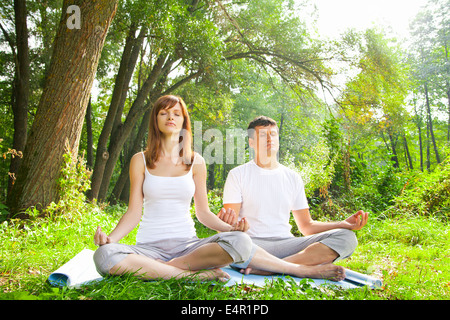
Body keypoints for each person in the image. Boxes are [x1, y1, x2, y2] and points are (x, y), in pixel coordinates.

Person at [93, 95, 254, 282]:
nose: (170, 117)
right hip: (148, 249)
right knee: (103, 255)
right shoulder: (140, 160)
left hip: (188, 249)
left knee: (241, 242)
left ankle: (162, 270)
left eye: (176, 114)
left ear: (184, 121)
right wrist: (111, 239)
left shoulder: (196, 162)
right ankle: (192, 277)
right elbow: (134, 212)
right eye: (164, 113)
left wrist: (231, 228)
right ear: (155, 121)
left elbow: (202, 213)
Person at [219, 115, 368, 275]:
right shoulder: (238, 175)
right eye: (262, 135)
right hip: (252, 246)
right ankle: (295, 267)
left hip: (287, 246)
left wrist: (342, 224)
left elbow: (306, 226)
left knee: (347, 238)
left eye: (273, 134)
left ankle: (269, 269)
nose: (269, 139)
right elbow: (230, 227)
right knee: (232, 244)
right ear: (251, 143)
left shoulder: (292, 177)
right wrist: (229, 226)